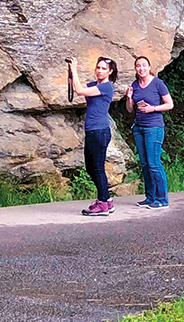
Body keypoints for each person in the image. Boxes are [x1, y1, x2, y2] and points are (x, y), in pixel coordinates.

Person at [68, 56, 118, 216]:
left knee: (97, 167)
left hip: (100, 131)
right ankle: (107, 200)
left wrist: (75, 70)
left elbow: (79, 91)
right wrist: (71, 72)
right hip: (92, 131)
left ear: (110, 71)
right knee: (90, 167)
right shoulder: (94, 85)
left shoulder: (107, 87)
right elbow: (78, 87)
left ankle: (103, 203)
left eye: (104, 68)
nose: (100, 70)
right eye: (98, 67)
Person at [125, 56, 173, 209]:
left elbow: (169, 104)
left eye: (144, 65)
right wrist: (129, 98)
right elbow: (130, 109)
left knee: (154, 163)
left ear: (149, 66)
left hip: (154, 127)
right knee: (145, 164)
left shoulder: (158, 83)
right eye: (138, 66)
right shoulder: (135, 85)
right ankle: (150, 197)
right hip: (139, 127)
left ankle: (162, 199)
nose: (141, 68)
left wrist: (153, 108)